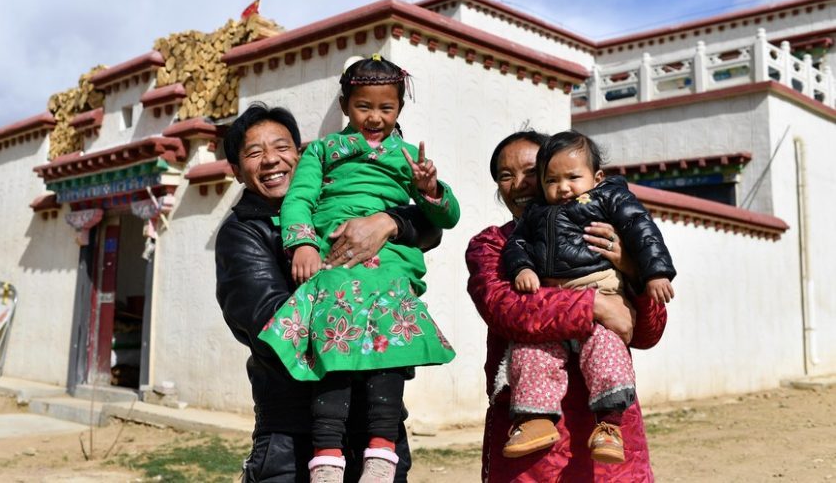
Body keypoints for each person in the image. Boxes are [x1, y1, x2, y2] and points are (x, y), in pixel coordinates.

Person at [257, 55, 460, 483]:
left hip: (388, 264)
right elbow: (299, 201)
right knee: (335, 343)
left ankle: (382, 453)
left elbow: (447, 218)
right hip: (334, 261)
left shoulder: (408, 157)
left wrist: (428, 190)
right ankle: (327, 455)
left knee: (388, 349)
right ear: (346, 105)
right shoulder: (322, 151)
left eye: (386, 108)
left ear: (399, 110)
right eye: (364, 106)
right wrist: (303, 244)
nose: (375, 117)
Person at [215, 102, 442, 482]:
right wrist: (364, 306)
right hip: (295, 436)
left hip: (376, 432)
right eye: (255, 153)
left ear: (301, 155)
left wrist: (387, 222)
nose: (272, 160)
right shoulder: (244, 233)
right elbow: (271, 326)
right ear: (237, 171)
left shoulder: (341, 205)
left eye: (282, 147)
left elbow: (430, 226)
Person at [465, 129, 668, 482]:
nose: (520, 184)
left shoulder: (606, 233)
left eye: (531, 171)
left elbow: (647, 333)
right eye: (505, 176)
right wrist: (594, 305)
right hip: (528, 432)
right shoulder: (492, 246)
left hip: (608, 432)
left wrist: (633, 270)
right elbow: (509, 311)